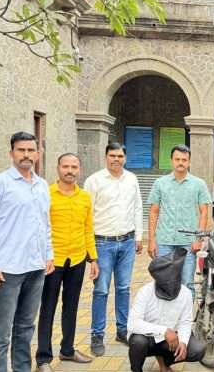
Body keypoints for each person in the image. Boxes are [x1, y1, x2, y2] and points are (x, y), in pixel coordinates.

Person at [0, 131, 54, 372]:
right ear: (11, 153)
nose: (26, 155)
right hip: (6, 271)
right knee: (0, 335)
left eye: (30, 150)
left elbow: (45, 224)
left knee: (25, 330)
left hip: (35, 268)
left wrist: (48, 254)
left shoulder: (42, 185)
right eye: (21, 150)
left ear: (38, 153)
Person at [36, 153, 100, 372]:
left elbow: (88, 228)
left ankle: (68, 349)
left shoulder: (84, 197)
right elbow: (40, 227)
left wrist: (93, 258)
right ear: (58, 168)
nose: (70, 170)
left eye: (74, 167)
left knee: (71, 306)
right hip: (52, 260)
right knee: (48, 307)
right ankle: (43, 358)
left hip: (78, 258)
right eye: (66, 166)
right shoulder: (46, 194)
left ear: (79, 170)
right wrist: (43, 256)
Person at [84, 142, 144, 356]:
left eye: (120, 156)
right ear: (106, 157)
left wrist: (138, 236)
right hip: (102, 243)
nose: (116, 159)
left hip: (127, 242)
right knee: (101, 290)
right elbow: (86, 214)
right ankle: (97, 334)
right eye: (112, 155)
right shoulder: (94, 181)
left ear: (125, 158)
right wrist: (89, 250)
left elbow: (138, 207)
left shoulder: (132, 179)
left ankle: (122, 330)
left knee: (124, 288)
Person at [147, 144, 211, 298]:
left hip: (188, 243)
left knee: (186, 283)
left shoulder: (199, 184)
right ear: (171, 161)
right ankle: (165, 319)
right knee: (163, 282)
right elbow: (154, 211)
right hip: (164, 241)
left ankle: (185, 320)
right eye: (177, 159)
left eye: (184, 159)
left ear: (189, 162)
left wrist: (198, 238)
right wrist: (151, 240)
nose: (180, 162)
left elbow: (204, 212)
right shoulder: (160, 183)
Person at [127, 248, 206, 372]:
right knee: (138, 341)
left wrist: (183, 342)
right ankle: (136, 370)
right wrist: (164, 331)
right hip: (148, 340)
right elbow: (132, 324)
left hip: (170, 341)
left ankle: (166, 362)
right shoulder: (145, 292)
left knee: (197, 349)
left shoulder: (185, 293)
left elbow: (185, 321)